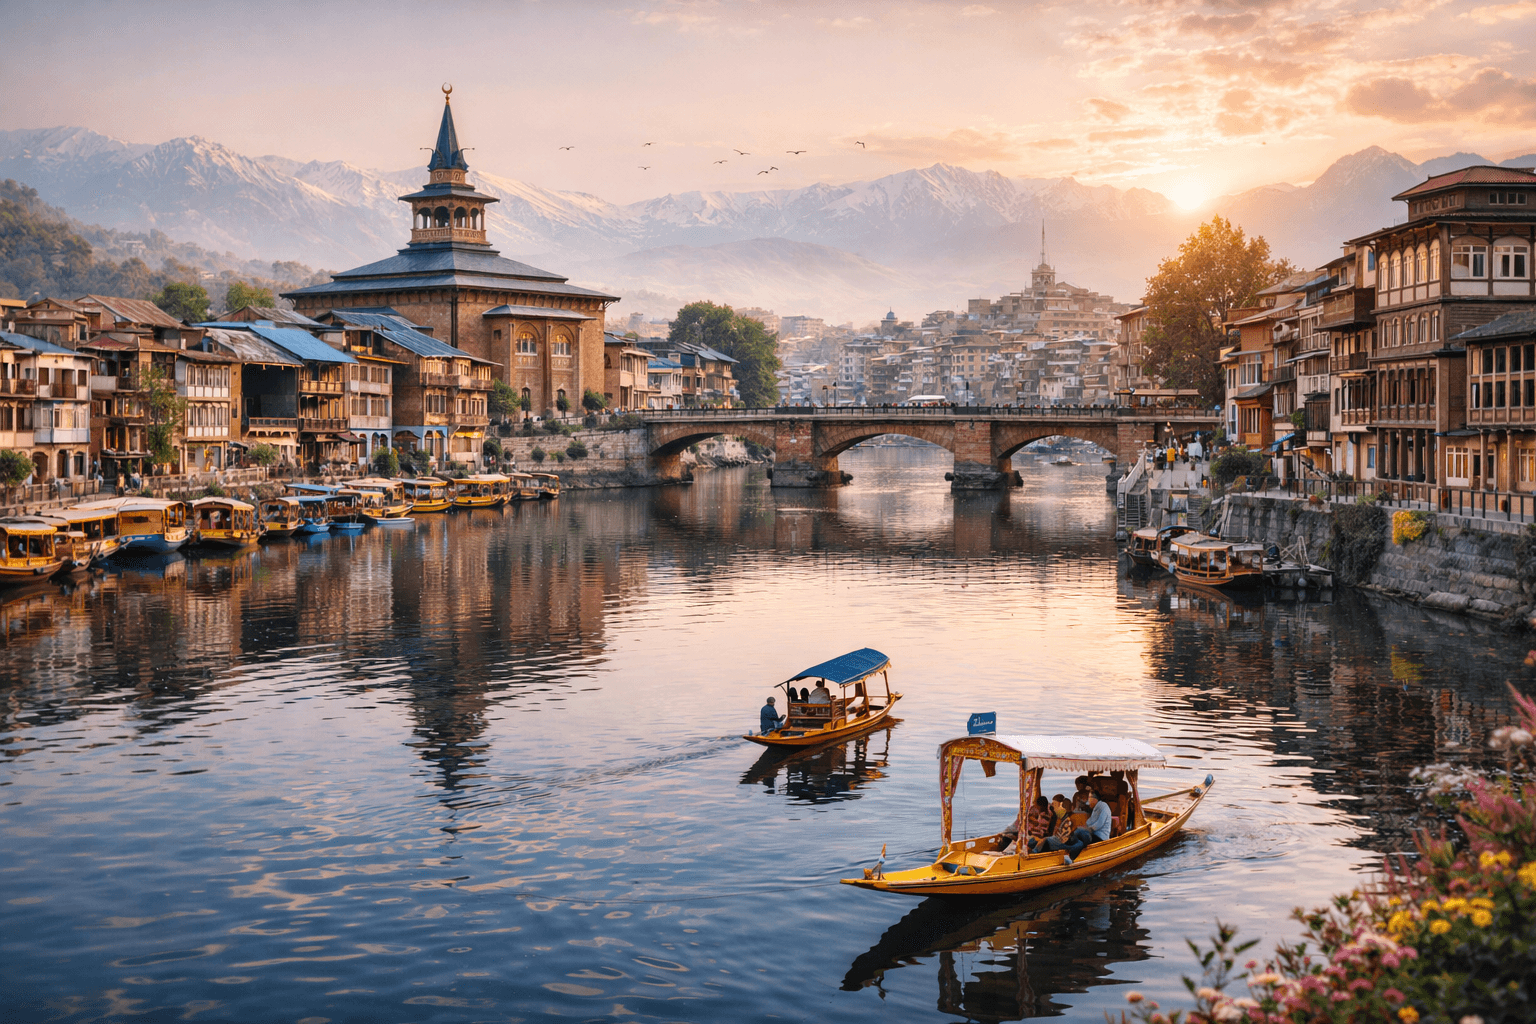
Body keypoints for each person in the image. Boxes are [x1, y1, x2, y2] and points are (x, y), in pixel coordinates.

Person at [1060, 790, 1113, 865]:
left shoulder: (1104, 806)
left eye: (1089, 798)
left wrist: (1088, 829)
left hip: (1100, 838)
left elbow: (1099, 824)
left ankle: (1070, 853)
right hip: (1093, 835)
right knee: (1080, 838)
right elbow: (1089, 822)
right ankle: (1070, 855)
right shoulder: (1096, 808)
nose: (1088, 800)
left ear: (1094, 799)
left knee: (1080, 832)